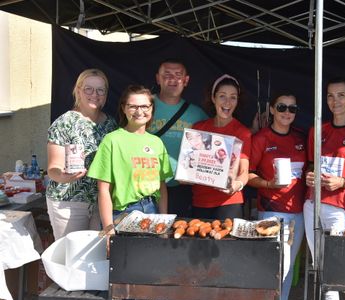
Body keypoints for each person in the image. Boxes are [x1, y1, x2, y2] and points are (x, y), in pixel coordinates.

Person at [304, 77, 345, 300]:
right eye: (330, 96)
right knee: (318, 264)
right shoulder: (317, 129)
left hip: (340, 206)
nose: (335, 101)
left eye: (341, 95)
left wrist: (343, 182)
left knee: (332, 265)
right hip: (312, 203)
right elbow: (311, 164)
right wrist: (310, 175)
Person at [248, 90, 306, 300]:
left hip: (298, 212)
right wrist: (267, 184)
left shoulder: (301, 137)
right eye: (281, 107)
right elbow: (247, 174)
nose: (286, 112)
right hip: (271, 210)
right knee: (273, 266)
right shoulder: (261, 138)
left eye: (292, 108)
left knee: (288, 266)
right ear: (272, 109)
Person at [88, 85, 172, 233]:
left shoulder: (157, 142)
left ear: (152, 108)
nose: (139, 111)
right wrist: (108, 228)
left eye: (145, 106)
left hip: (152, 210)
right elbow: (103, 189)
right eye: (133, 106)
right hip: (123, 214)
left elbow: (162, 187)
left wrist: (164, 220)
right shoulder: (112, 140)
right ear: (124, 108)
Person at [46, 68, 117, 240]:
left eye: (100, 90)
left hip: (101, 201)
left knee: (96, 256)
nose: (95, 94)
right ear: (78, 91)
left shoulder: (111, 124)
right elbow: (53, 167)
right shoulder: (64, 122)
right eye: (88, 89)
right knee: (70, 256)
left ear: (106, 94)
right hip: (69, 201)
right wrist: (62, 176)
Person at [147, 58, 208, 218]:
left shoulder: (197, 114)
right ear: (158, 78)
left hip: (182, 188)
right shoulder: (144, 105)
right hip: (146, 185)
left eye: (178, 75)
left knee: (177, 236)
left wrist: (252, 131)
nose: (172, 79)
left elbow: (217, 142)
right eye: (166, 74)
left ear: (186, 80)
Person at [191, 74, 251, 220]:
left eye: (233, 97)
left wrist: (236, 185)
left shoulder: (242, 132)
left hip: (229, 202)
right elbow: (189, 165)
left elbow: (244, 172)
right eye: (222, 96)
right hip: (200, 201)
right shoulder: (199, 128)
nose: (227, 102)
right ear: (213, 98)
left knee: (227, 243)